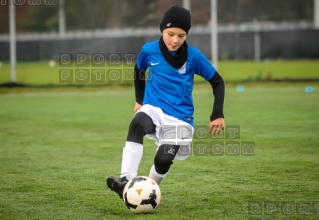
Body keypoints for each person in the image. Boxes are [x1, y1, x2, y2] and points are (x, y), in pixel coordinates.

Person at [106, 4, 225, 199]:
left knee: (163, 158)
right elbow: (138, 70)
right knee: (137, 122)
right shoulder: (149, 50)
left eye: (181, 35)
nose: (175, 40)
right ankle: (126, 182)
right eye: (170, 34)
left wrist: (217, 114)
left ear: (186, 35)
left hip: (181, 118)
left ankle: (149, 191)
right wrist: (139, 100)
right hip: (154, 108)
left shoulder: (194, 57)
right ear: (162, 29)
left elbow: (218, 81)